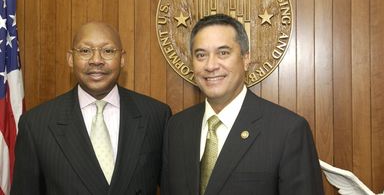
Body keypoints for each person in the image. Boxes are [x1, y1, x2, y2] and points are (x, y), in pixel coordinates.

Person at [161, 14, 324, 195]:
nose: (210, 65)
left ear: (246, 59)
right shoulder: (176, 127)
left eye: (223, 53)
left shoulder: (288, 130)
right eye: (201, 55)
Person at [11, 22, 171, 195]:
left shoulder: (157, 116)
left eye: (108, 51)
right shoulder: (36, 124)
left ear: (122, 58)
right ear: (70, 58)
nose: (96, 60)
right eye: (85, 51)